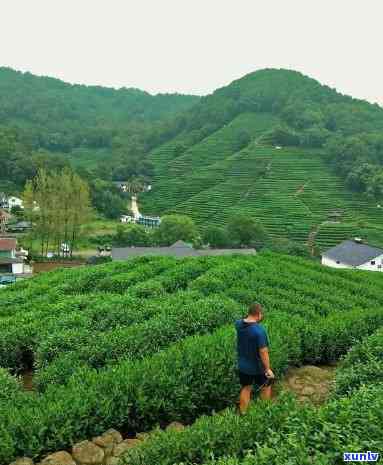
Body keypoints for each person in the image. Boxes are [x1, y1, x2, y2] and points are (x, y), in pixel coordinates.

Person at [235, 302, 274, 414]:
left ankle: (243, 413)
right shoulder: (259, 331)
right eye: (261, 314)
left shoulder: (238, 324)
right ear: (258, 314)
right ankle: (265, 411)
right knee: (267, 385)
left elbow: (244, 321)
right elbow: (263, 351)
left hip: (242, 365)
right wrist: (267, 369)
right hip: (257, 367)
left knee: (246, 388)